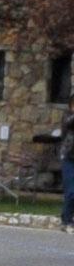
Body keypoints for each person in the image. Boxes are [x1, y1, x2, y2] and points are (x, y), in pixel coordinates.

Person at [61, 93, 74, 233]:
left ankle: (67, 217)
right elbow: (69, 123)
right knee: (71, 191)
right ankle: (66, 221)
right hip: (68, 158)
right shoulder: (67, 117)